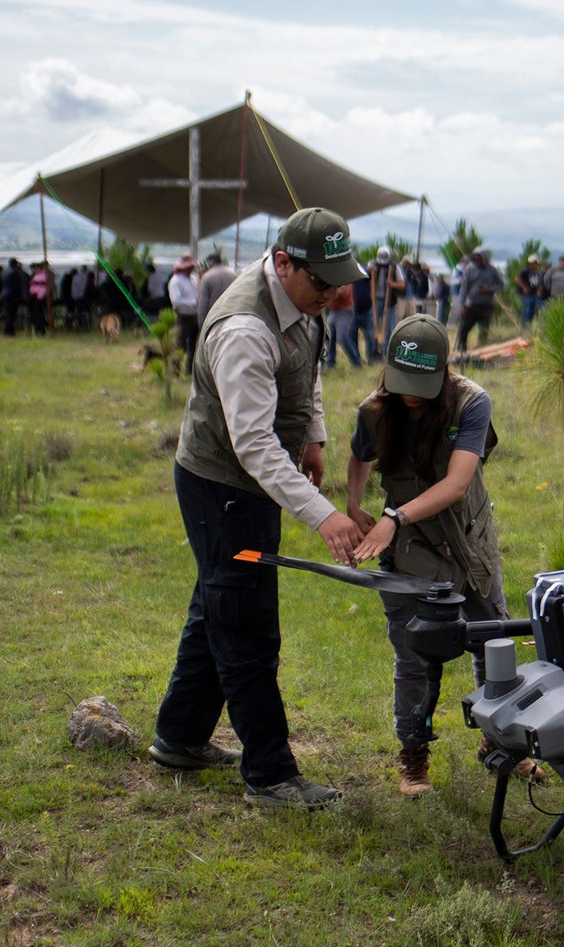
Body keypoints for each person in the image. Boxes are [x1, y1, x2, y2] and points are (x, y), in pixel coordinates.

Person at [149, 206, 366, 809]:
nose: (333, 292)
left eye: (338, 278)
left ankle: (180, 736)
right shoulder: (245, 328)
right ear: (281, 263)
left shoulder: (303, 303)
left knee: (217, 602)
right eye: (321, 281)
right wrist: (324, 513)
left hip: (251, 480)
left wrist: (315, 436)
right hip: (223, 484)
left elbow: (310, 372)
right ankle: (270, 774)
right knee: (243, 622)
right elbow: (252, 447)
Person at [345, 314, 510, 797]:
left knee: (492, 644)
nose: (410, 394)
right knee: (414, 656)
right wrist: (354, 504)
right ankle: (413, 760)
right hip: (413, 556)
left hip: (469, 542)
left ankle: (500, 742)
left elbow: (457, 484)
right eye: (402, 383)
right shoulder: (374, 411)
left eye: (421, 383)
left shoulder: (471, 403)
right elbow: (359, 455)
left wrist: (392, 518)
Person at [455, 247, 503, 353]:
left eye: (479, 259)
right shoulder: (469, 269)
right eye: (475, 259)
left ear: (484, 258)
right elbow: (464, 287)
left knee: (484, 329)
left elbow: (501, 285)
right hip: (472, 304)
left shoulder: (492, 270)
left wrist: (489, 289)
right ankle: (462, 349)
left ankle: (481, 350)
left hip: (486, 305)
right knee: (464, 328)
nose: (477, 261)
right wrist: (462, 304)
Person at [168, 253, 201, 375]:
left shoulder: (193, 279)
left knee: (193, 344)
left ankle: (189, 369)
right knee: (180, 343)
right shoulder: (175, 281)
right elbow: (176, 301)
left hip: (194, 316)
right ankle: (175, 369)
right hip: (183, 316)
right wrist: (194, 303)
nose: (191, 269)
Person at [368, 246, 404, 344]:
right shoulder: (373, 265)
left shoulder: (394, 267)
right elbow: (366, 271)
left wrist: (392, 284)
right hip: (376, 300)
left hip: (390, 302)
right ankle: (374, 348)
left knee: (389, 327)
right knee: (373, 325)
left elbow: (402, 284)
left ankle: (386, 350)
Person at [197, 253, 238, 319]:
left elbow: (203, 305)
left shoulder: (207, 277)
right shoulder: (233, 275)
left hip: (213, 318)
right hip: (230, 317)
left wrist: (201, 325)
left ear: (209, 264)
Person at [516, 254, 544, 326]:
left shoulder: (538, 272)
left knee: (535, 312)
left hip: (535, 295)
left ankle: (529, 327)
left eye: (536, 263)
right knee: (527, 312)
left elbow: (540, 283)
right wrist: (524, 287)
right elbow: (517, 279)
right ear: (531, 263)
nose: (536, 265)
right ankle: (524, 328)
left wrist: (539, 291)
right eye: (535, 263)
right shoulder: (525, 271)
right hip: (527, 295)